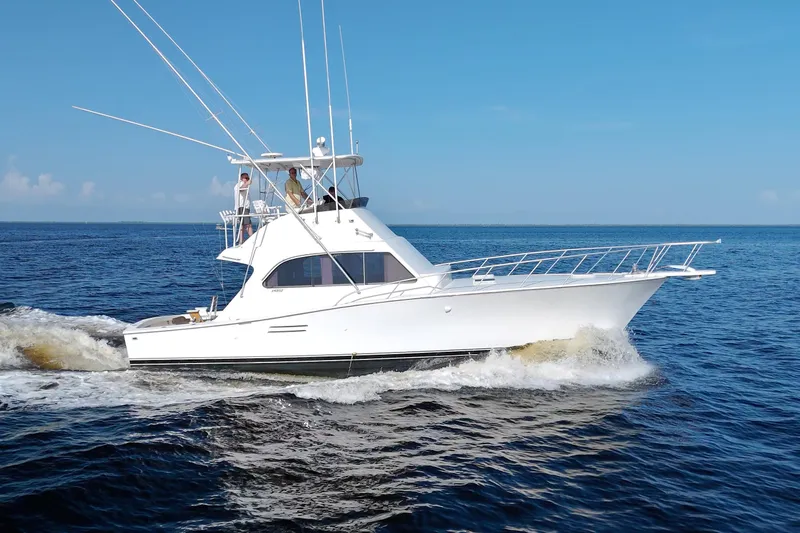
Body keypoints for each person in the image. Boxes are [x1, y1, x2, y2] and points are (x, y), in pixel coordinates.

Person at [234, 172, 253, 244]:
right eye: (246, 178)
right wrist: (247, 183)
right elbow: (241, 189)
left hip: (243, 206)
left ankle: (241, 240)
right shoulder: (241, 184)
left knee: (242, 225)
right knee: (248, 224)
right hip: (242, 207)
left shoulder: (242, 184)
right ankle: (252, 239)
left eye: (248, 178)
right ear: (242, 178)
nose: (247, 180)